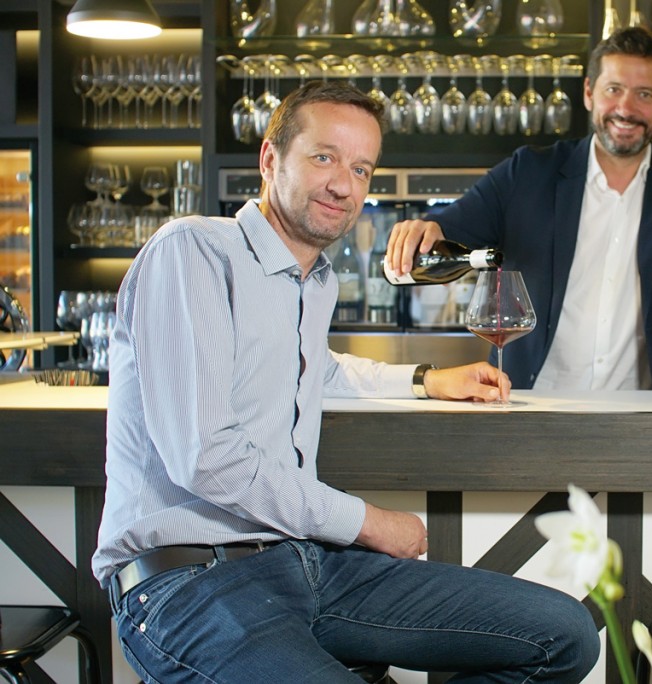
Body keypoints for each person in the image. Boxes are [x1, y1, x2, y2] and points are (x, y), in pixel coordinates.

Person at [92, 80, 600, 683]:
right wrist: (369, 522)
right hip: (188, 582)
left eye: (362, 168)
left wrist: (427, 380)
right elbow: (205, 457)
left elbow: (322, 369)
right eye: (324, 157)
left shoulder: (315, 281)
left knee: (565, 636)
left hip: (303, 563)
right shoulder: (196, 252)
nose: (344, 184)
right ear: (270, 158)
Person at [387, 27, 652, 402]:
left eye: (645, 94)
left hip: (646, 408)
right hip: (530, 402)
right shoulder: (528, 171)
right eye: (613, 89)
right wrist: (424, 229)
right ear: (589, 93)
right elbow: (448, 229)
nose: (626, 108)